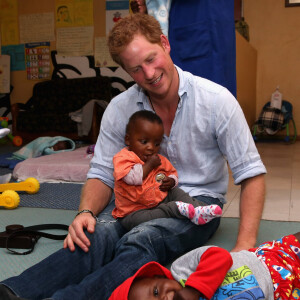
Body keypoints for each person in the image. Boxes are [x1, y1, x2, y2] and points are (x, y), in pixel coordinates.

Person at [0, 13, 266, 300]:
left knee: (141, 239)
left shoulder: (217, 101)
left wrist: (244, 246)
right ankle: (14, 291)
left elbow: (252, 175)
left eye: (151, 59)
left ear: (164, 43)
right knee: (94, 236)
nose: (149, 74)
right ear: (127, 72)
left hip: (195, 205)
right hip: (133, 200)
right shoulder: (119, 108)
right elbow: (101, 174)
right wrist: (85, 213)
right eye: (136, 69)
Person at [113, 110, 222, 231]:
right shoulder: (123, 158)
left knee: (176, 192)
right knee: (150, 216)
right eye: (144, 142)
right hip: (134, 212)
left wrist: (171, 181)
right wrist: (149, 165)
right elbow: (132, 178)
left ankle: (199, 209)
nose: (150, 148)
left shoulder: (159, 160)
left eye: (156, 143)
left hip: (158, 200)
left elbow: (172, 173)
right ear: (128, 140)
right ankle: (176, 209)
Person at [110, 232, 300, 300]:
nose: (165, 299)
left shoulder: (181, 270)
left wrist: (194, 288)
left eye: (157, 292)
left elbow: (219, 256)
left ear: (160, 277)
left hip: (268, 260)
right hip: (281, 293)